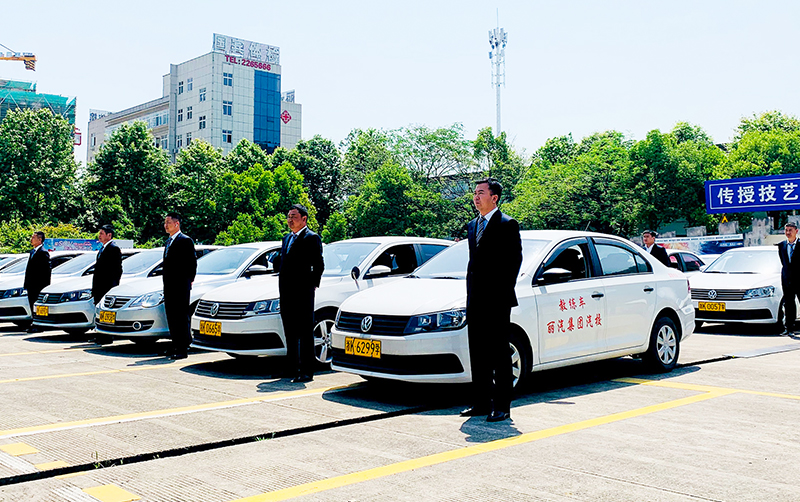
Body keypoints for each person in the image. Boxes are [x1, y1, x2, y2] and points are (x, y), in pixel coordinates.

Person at [461, 178, 522, 423]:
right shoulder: (472, 225)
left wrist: (501, 295)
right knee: (478, 353)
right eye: (475, 193)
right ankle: (480, 402)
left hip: (497, 302)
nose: (476, 197)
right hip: (475, 300)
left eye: (481, 193)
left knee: (498, 354)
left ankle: (502, 406)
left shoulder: (507, 224)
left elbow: (513, 263)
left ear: (494, 197)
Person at [274, 204, 324, 383]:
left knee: (304, 332)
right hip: (286, 291)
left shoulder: (311, 238)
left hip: (303, 292)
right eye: (288, 216)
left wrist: (312, 285)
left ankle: (306, 371)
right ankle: (291, 367)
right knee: (290, 331)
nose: (290, 220)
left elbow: (318, 264)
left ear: (304, 219)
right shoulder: (287, 238)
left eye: (294, 216)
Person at [161, 213, 197, 360]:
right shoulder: (168, 241)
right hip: (169, 286)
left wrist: (188, 281)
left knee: (181, 317)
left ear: (177, 224)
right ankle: (175, 345)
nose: (166, 225)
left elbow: (192, 264)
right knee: (171, 317)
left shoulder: (185, 241)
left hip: (180, 286)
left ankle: (182, 348)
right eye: (165, 223)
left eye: (168, 222)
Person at [92, 225, 123, 344]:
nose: (99, 236)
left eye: (102, 233)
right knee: (99, 312)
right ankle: (100, 334)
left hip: (107, 286)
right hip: (99, 286)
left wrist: (113, 286)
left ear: (109, 235)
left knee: (106, 312)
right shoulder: (103, 248)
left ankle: (107, 337)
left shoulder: (113, 248)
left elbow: (117, 270)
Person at [24, 231, 50, 333]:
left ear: (40, 240)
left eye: (34, 237)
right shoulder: (32, 252)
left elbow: (46, 272)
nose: (31, 239)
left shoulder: (43, 252)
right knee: (31, 303)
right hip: (31, 284)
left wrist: (44, 287)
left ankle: (39, 325)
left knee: (37, 305)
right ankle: (34, 323)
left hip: (39, 285)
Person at [778, 222, 800, 335]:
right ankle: (789, 328)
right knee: (789, 304)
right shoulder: (782, 245)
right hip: (787, 280)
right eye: (786, 230)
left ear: (796, 231)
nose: (788, 232)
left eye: (790, 230)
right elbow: (784, 263)